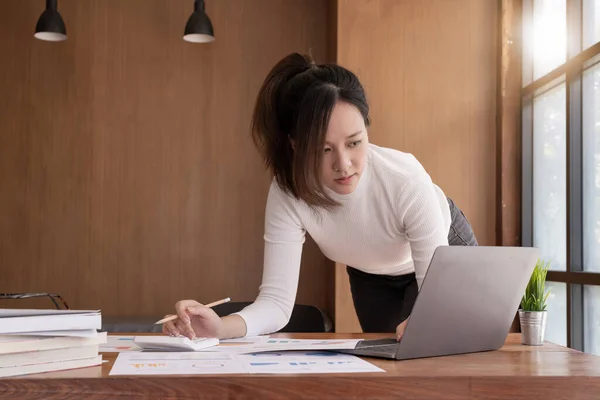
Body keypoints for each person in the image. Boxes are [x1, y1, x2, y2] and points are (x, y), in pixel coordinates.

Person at [162, 52, 478, 342]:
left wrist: (429, 322)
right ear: (296, 146)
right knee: (387, 360)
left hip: (443, 251)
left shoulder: (405, 180)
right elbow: (275, 302)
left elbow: (434, 299)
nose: (344, 165)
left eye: (355, 143)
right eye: (324, 150)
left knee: (441, 350)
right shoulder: (289, 191)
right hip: (370, 271)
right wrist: (220, 326)